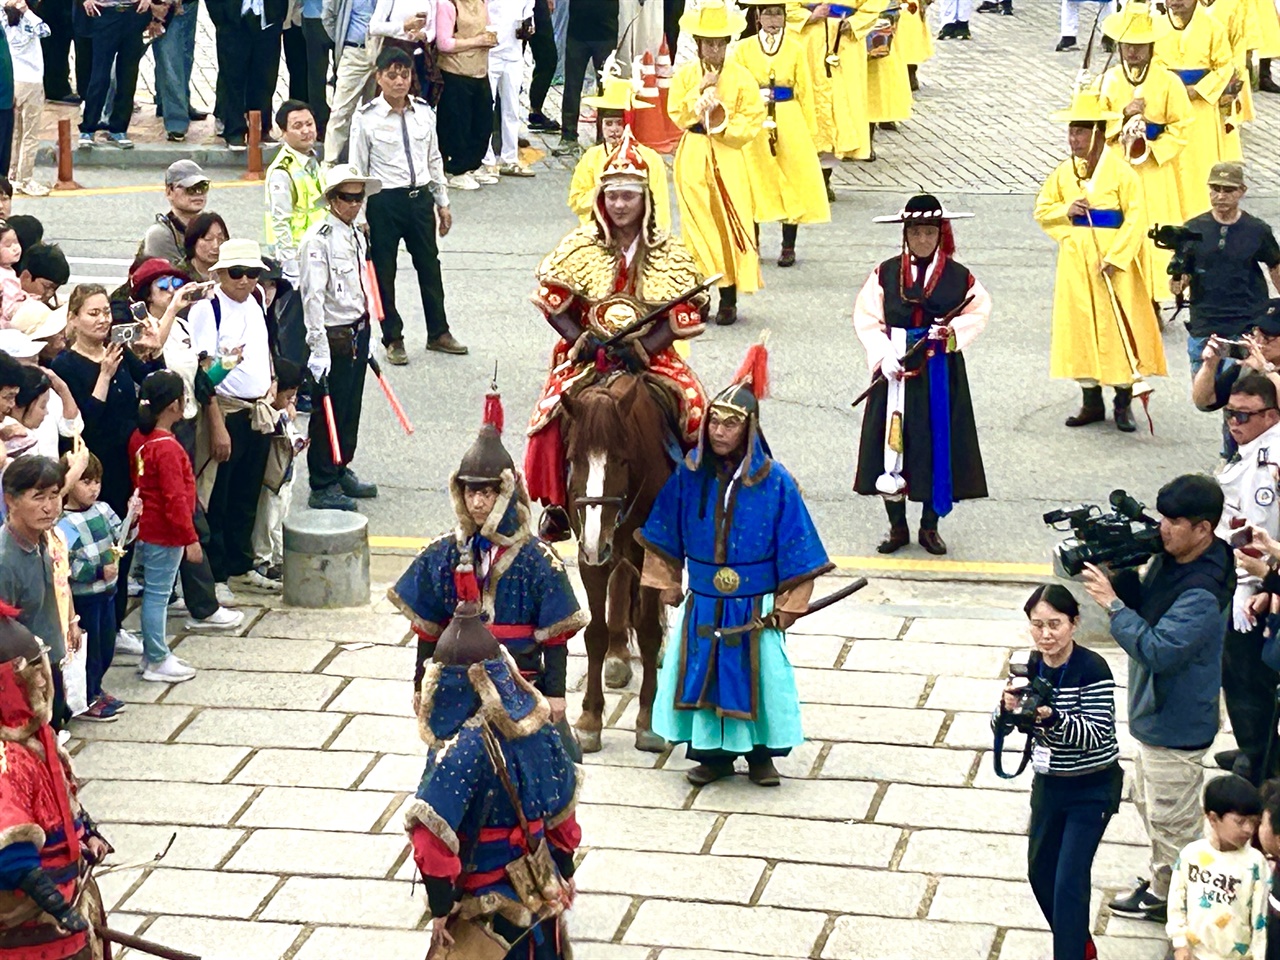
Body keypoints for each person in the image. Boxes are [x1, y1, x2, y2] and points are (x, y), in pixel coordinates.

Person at [637, 343, 833, 787]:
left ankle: (762, 757)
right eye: (715, 421)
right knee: (702, 674)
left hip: (755, 605)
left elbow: (799, 547)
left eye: (731, 423)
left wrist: (789, 604)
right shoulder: (688, 474)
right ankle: (715, 757)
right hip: (704, 601)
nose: (720, 431)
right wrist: (666, 581)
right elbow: (663, 531)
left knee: (760, 677)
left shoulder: (776, 481)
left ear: (749, 429)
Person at [524, 129, 708, 541]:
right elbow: (553, 301)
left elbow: (683, 313)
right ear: (600, 200)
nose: (620, 205)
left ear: (645, 200)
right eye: (613, 197)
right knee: (548, 415)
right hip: (587, 353)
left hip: (652, 356)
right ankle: (556, 504)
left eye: (629, 196)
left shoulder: (670, 251)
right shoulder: (580, 245)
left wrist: (646, 347)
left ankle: (697, 500)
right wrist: (579, 338)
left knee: (697, 409)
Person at [1081, 473, 1235, 924]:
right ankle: (1166, 881)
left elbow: (1159, 650)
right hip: (1159, 716)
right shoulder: (1180, 558)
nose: (1161, 528)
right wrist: (1119, 573)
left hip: (1176, 721)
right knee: (1149, 803)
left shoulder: (1202, 591)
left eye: (1173, 521)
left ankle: (1181, 905)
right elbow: (1149, 604)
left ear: (1203, 529)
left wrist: (1112, 605)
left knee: (1173, 820)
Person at [389, 390, 586, 718]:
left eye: (486, 493)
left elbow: (555, 638)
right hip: (456, 683)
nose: (477, 503)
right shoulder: (443, 553)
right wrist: (421, 685)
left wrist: (555, 695)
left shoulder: (538, 559)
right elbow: (428, 630)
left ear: (505, 493)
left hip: (520, 685)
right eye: (470, 492)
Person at [405, 602, 579, 959]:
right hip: (538, 887)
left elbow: (429, 842)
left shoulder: (457, 751)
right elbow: (563, 814)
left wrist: (440, 909)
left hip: (485, 904)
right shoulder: (541, 728)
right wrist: (564, 869)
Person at [852, 193, 991, 556]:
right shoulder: (884, 273)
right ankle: (897, 527)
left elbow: (977, 312)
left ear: (940, 234)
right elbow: (868, 318)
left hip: (939, 371)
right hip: (896, 368)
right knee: (891, 444)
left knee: (937, 443)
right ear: (906, 235)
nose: (923, 240)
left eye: (930, 233)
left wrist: (951, 334)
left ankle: (930, 526)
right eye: (916, 233)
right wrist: (883, 355)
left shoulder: (961, 277)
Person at [992, 584, 1122, 960]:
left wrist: (1053, 717)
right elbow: (1000, 726)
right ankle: (1080, 945)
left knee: (1069, 882)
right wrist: (1006, 710)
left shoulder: (1091, 668)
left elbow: (1097, 734)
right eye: (1038, 625)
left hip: (1091, 787)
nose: (1046, 635)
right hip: (1048, 785)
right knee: (1040, 873)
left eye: (1055, 624)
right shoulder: (1027, 666)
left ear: (1074, 623)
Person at [1035, 86, 1166, 433]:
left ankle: (1123, 400)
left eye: (1080, 131)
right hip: (1077, 261)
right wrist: (1068, 211)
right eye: (1071, 131)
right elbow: (1043, 210)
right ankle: (1089, 398)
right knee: (1079, 324)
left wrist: (1117, 256)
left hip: (1112, 262)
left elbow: (1137, 217)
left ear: (1096, 133)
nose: (1074, 139)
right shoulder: (1065, 172)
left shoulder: (1122, 172)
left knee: (1117, 324)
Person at [0, 605, 112, 955]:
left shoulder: (40, 738)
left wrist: (87, 832)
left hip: (69, 897)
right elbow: (9, 848)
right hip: (30, 920)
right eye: (31, 673)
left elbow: (63, 796)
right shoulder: (5, 757)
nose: (41, 680)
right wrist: (55, 904)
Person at [351, 45, 468, 364]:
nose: (399, 81)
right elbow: (357, 168)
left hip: (419, 201)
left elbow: (433, 158)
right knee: (383, 272)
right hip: (384, 202)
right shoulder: (366, 119)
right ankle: (392, 337)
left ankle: (438, 332)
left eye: (405, 74)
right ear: (379, 78)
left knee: (430, 266)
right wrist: (359, 214)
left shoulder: (424, 112)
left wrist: (442, 201)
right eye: (392, 75)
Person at [187, 239, 277, 593]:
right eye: (237, 273)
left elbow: (263, 349)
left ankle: (242, 564)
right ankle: (218, 574)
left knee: (248, 492)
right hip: (224, 409)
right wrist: (216, 424)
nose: (244, 281)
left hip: (256, 410)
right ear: (220, 273)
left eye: (252, 273)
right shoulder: (207, 309)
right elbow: (202, 373)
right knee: (217, 496)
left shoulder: (255, 302)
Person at [669, 1, 765, 327]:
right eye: (708, 43)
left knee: (727, 221)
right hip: (694, 150)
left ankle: (729, 295)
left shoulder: (742, 78)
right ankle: (700, 294)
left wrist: (724, 125)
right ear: (698, 44)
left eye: (719, 43)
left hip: (727, 155)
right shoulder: (685, 76)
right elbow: (677, 114)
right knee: (697, 225)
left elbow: (752, 119)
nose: (713, 49)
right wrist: (696, 97)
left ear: (727, 43)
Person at [1205, 372, 1280, 784]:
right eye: (1230, 414)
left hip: (1252, 587)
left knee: (1246, 677)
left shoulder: (1267, 464)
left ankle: (1258, 757)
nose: (1234, 422)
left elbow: (1257, 531)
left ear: (1269, 415)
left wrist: (1253, 587)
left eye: (1243, 415)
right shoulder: (1252, 448)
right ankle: (1256, 744)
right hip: (1252, 580)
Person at [298, 164, 381, 512]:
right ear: (332, 200)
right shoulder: (318, 240)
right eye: (348, 198)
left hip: (357, 330)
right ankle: (322, 482)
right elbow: (312, 297)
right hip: (334, 335)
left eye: (360, 196)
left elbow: (364, 282)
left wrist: (371, 327)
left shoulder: (356, 233)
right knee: (328, 410)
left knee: (350, 408)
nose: (356, 204)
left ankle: (340, 464)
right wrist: (318, 348)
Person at [1097, 2, 1194, 296]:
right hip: (1117, 165)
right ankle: (1118, 288)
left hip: (1154, 169)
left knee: (1155, 230)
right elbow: (1096, 125)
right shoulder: (1108, 81)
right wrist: (1121, 118)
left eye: (1140, 45)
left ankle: (1155, 294)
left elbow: (1183, 124)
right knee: (1119, 225)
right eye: (1127, 45)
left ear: (1152, 46)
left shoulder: (1168, 82)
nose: (1133, 52)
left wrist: (1154, 147)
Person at [733, 0, 829, 268]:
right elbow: (735, 87)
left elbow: (806, 90)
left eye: (778, 14)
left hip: (789, 116)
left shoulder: (796, 49)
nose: (774, 20)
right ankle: (753, 244)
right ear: (758, 18)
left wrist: (810, 130)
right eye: (768, 14)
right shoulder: (743, 49)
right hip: (755, 117)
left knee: (791, 177)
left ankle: (788, 245)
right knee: (753, 178)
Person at [127, 371, 199, 683]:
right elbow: (175, 497)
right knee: (158, 594)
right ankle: (156, 657)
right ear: (173, 405)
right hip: (166, 532)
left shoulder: (140, 438)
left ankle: (151, 654)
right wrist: (190, 538)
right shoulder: (167, 448)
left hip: (149, 527)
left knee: (154, 594)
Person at [1174, 162, 1280, 370]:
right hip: (1205, 325)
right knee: (1205, 399)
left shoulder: (1257, 230)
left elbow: (1275, 266)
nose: (1221, 196)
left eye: (1228, 190)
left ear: (1242, 191)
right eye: (1215, 189)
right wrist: (1177, 278)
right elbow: (1178, 282)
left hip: (1246, 326)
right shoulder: (1193, 228)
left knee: (1240, 393)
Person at [0, 456, 78, 725]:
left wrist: (71, 621)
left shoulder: (44, 537)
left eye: (54, 495)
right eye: (38, 497)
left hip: (50, 662)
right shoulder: (4, 560)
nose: (49, 507)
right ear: (11, 500)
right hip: (22, 680)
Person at [57, 451, 128, 721]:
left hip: (107, 593)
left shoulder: (103, 510)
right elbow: (66, 563)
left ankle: (96, 688)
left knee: (107, 643)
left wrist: (134, 519)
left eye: (97, 481)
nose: (93, 488)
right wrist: (97, 571)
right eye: (85, 482)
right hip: (85, 596)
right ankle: (86, 696)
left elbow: (122, 536)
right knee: (90, 649)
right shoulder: (65, 522)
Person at [1167, 775, 1268, 958]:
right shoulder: (1191, 855)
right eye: (1240, 822)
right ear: (1213, 818)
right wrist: (1180, 943)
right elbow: (1176, 901)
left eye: (1254, 821)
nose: (1248, 829)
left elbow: (1261, 918)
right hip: (1194, 953)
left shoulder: (1255, 863)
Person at [1153, 0, 1234, 217]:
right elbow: (1152, 65)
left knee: (1200, 165)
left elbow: (1225, 65)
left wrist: (1199, 90)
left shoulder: (1212, 26)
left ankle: (1202, 216)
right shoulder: (1156, 26)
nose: (1176, 2)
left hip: (1201, 108)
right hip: (1168, 107)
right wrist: (1172, 88)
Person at [566, 75, 670, 232]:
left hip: (639, 232)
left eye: (620, 123)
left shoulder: (650, 158)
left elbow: (660, 204)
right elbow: (576, 200)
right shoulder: (592, 157)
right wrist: (603, 193)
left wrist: (658, 236)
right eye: (608, 124)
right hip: (597, 231)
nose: (613, 129)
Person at [785, 1, 876, 173]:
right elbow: (785, 6)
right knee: (807, 98)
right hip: (806, 40)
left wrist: (855, 23)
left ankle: (827, 174)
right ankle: (809, 170)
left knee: (841, 103)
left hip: (844, 41)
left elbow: (873, 6)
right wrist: (808, 16)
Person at [434, 0, 496, 188]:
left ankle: (473, 165)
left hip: (479, 70)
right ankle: (455, 169)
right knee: (457, 123)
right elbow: (443, 43)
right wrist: (476, 42)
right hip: (456, 71)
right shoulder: (448, 5)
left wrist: (490, 39)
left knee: (483, 121)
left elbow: (488, 28)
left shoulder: (481, 3)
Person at [264, 100, 326, 289]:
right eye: (297, 126)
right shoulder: (282, 171)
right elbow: (280, 221)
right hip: (299, 257)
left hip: (317, 249)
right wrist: (290, 266)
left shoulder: (311, 158)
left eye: (309, 124)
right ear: (283, 132)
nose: (306, 131)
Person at [205, 0, 284, 148]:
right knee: (232, 77)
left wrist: (279, 12)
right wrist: (220, 16)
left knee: (265, 76)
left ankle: (262, 128)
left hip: (267, 18)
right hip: (233, 20)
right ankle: (235, 130)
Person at [75, 0, 147, 150]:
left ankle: (119, 128)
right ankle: (88, 128)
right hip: (105, 13)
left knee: (128, 75)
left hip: (133, 12)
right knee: (99, 75)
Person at [549, 0, 617, 156]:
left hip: (606, 33)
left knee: (606, 89)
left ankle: (605, 137)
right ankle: (568, 136)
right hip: (577, 34)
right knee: (572, 87)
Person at [321, 0, 380, 165]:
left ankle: (372, 160)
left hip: (381, 53)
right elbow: (327, 16)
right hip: (354, 51)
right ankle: (330, 161)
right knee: (341, 110)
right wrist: (342, 40)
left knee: (376, 109)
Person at [481, 0, 535, 178]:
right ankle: (486, 159)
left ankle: (509, 158)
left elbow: (528, 14)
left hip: (514, 54)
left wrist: (529, 26)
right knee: (487, 106)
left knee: (512, 108)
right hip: (490, 53)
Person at [5, 0, 50, 197]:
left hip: (12, 79)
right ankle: (25, 179)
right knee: (30, 134)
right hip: (31, 81)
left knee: (14, 132)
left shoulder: (3, 20)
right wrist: (27, 12)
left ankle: (12, 174)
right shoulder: (29, 22)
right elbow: (45, 30)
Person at [138, 160, 211, 265]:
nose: (198, 193)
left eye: (203, 186)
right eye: (190, 188)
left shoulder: (211, 229)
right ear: (169, 192)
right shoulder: (160, 235)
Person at [150, 0, 202, 143]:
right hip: (162, 5)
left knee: (184, 57)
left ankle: (176, 104)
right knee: (171, 59)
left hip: (186, 4)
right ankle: (176, 120)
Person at [176, 211, 229, 283]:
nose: (216, 246)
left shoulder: (233, 274)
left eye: (221, 239)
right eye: (208, 239)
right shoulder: (178, 275)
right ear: (193, 241)